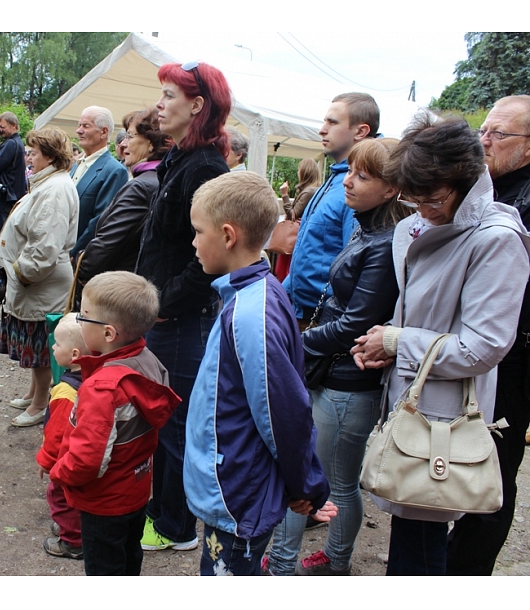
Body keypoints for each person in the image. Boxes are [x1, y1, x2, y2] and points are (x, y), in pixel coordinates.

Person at [351, 116, 530, 575]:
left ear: (467, 181)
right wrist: (382, 346)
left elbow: (484, 347)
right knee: (412, 536)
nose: (422, 209)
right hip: (411, 398)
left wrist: (398, 341)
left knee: (423, 544)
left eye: (433, 199)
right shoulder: (415, 226)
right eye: (413, 199)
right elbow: (416, 312)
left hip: (445, 419)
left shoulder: (496, 239)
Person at [266, 138, 410, 576]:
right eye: (349, 172)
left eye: (362, 176)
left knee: (338, 483)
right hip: (333, 371)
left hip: (349, 381)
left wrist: (296, 341)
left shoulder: (384, 243)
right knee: (311, 473)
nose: (348, 181)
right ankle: (287, 560)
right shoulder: (367, 230)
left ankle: (327, 562)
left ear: (390, 189)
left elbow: (355, 324)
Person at [184, 171, 334, 576]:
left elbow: (284, 411)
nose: (194, 242)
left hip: (237, 492)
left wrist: (306, 484)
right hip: (240, 482)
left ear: (228, 235)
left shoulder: (252, 312)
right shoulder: (257, 293)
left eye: (199, 231)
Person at [135, 61, 231, 552]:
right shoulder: (179, 160)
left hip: (178, 321)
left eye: (169, 95)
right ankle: (163, 514)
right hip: (162, 314)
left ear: (197, 106)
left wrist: (164, 306)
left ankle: (175, 526)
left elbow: (209, 260)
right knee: (161, 419)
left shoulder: (206, 167)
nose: (160, 103)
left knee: (175, 424)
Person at [445, 95, 530, 575]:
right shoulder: (484, 191)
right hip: (474, 349)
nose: (485, 141)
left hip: (511, 358)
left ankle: (466, 573)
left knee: (492, 469)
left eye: (499, 134)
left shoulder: (518, 207)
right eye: (484, 131)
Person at [49, 271, 181, 576]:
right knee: (128, 556)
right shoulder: (146, 359)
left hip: (103, 502)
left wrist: (59, 472)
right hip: (135, 490)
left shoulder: (101, 388)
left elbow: (88, 459)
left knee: (104, 569)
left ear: (109, 334)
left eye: (84, 316)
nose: (78, 321)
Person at [0, 126, 79, 428]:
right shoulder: (49, 184)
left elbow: (45, 245)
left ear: (49, 155)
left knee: (43, 348)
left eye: (34, 151)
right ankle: (35, 392)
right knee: (37, 344)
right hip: (37, 283)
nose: (29, 156)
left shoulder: (55, 189)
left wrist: (22, 274)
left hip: (41, 283)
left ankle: (40, 403)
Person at [284, 93, 380, 331]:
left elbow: (355, 265)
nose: (322, 130)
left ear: (360, 131)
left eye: (332, 122)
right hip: (303, 314)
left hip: (323, 322)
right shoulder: (336, 178)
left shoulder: (360, 188)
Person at [77, 107, 172, 285]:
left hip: (117, 285)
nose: (123, 144)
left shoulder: (141, 186)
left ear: (151, 143)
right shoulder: (162, 179)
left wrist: (80, 270)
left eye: (130, 136)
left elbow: (107, 242)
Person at [36, 313, 87, 560]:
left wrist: (46, 460)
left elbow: (57, 434)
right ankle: (75, 528)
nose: (53, 347)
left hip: (65, 459)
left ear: (74, 355)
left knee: (60, 496)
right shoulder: (92, 377)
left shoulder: (66, 392)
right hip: (84, 455)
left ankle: (73, 541)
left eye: (57, 344)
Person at [70, 106, 129, 261]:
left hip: (77, 258)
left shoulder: (114, 170)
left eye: (86, 126)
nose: (79, 130)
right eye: (79, 125)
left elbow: (100, 220)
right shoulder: (77, 165)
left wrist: (73, 252)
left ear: (103, 132)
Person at [0, 111, 28, 265]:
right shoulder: (15, 143)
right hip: (10, 196)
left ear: (13, 126)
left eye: (2, 127)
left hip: (3, 198)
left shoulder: (11, 144)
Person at [274, 158, 323, 282]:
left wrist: (284, 195)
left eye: (299, 170)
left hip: (294, 236)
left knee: (284, 270)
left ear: (304, 172)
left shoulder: (308, 192)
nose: (298, 173)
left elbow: (292, 215)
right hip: (301, 235)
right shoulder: (315, 189)